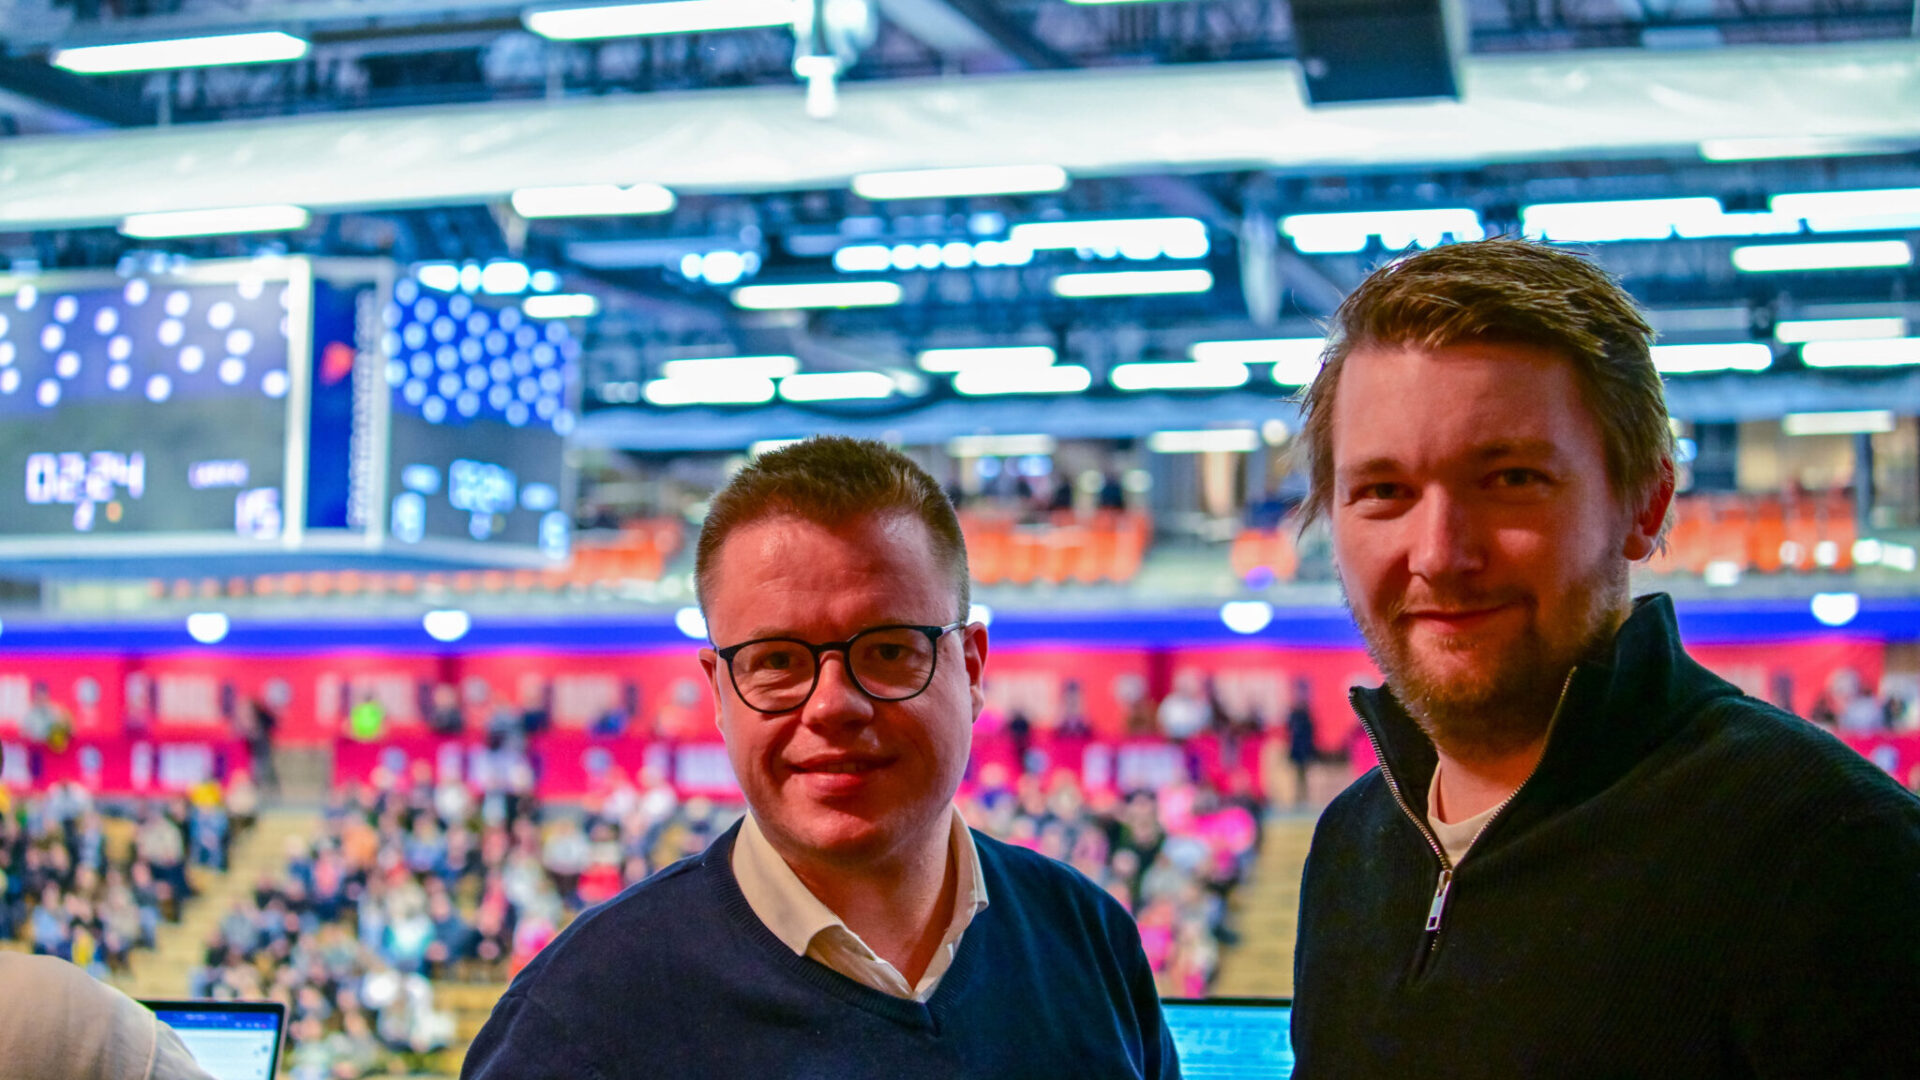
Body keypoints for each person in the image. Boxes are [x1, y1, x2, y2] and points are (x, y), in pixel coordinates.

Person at [1288, 237, 1920, 1075]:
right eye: (1384, 492)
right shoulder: (1351, 847)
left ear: (1645, 503)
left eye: (1511, 479)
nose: (1439, 553)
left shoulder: (1835, 856)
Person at [463, 436, 1176, 1079]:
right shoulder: (576, 1023)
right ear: (719, 692)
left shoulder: (1087, 938)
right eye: (777, 661)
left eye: (888, 650)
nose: (833, 705)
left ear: (971, 668)